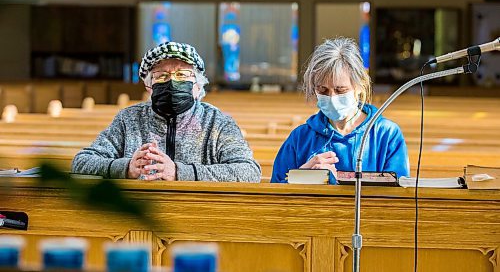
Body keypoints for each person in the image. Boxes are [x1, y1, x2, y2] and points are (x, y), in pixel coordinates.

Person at [72, 41, 261, 182]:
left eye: (182, 74)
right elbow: (81, 163)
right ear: (149, 87)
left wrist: (179, 172)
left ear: (197, 86)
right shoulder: (128, 119)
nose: (172, 81)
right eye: (161, 75)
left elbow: (249, 172)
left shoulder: (218, 123)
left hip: (197, 217)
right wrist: (126, 167)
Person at [271, 37, 409, 183]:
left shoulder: (386, 135)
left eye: (340, 90)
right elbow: (275, 195)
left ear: (359, 86)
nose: (332, 97)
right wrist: (301, 176)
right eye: (322, 90)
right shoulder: (301, 137)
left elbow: (398, 196)